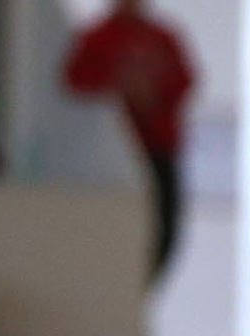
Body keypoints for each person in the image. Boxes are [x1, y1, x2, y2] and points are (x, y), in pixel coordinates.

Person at [63, 0, 195, 282]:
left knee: (164, 226)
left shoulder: (163, 38)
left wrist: (151, 93)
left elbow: (186, 81)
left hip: (159, 150)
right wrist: (117, 87)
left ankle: (144, 284)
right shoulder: (98, 37)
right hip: (116, 154)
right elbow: (75, 79)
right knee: (113, 222)